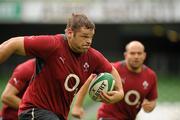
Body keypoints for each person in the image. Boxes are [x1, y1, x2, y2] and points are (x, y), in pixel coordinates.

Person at [0, 13, 124, 120]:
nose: (89, 41)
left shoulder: (93, 56)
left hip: (58, 115)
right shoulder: (53, 44)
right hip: (34, 111)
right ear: (70, 33)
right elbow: (13, 43)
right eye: (84, 36)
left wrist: (120, 92)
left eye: (91, 37)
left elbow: (111, 70)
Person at [97, 41, 158, 120]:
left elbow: (152, 100)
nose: (136, 56)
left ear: (144, 55)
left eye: (139, 53)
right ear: (125, 55)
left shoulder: (151, 75)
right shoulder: (114, 68)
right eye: (132, 53)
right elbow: (91, 78)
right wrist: (78, 106)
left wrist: (150, 106)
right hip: (108, 116)